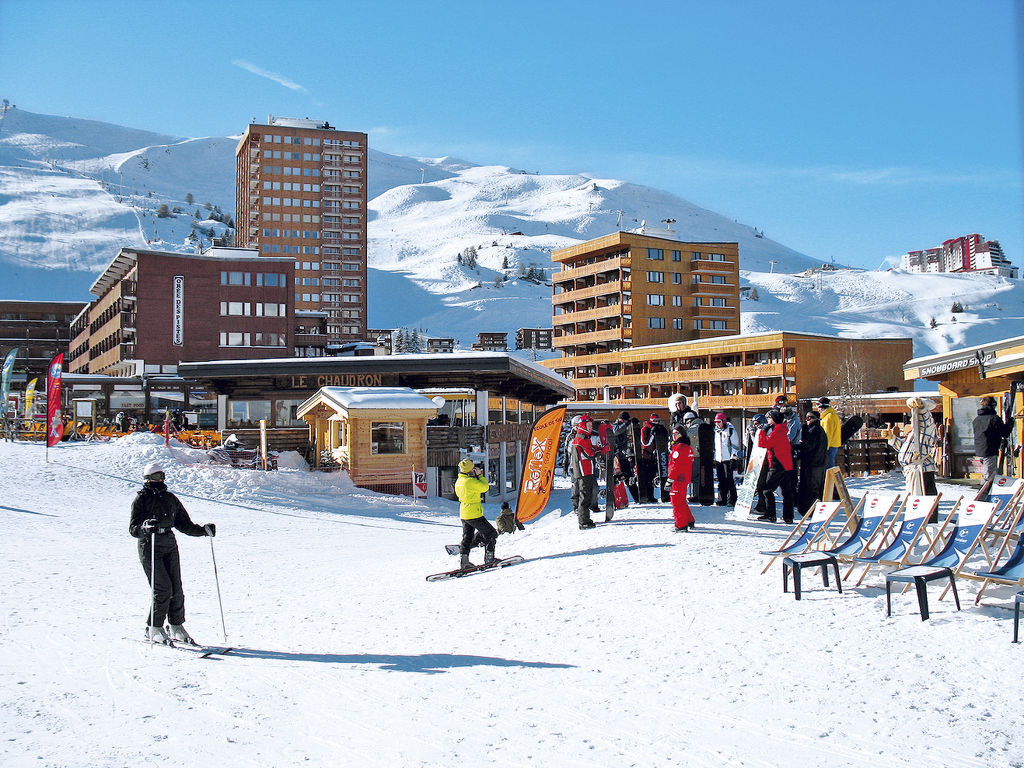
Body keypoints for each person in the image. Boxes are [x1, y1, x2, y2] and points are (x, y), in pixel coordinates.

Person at [129, 462, 215, 645]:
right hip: (149, 544)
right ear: (147, 480)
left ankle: (176, 626)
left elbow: (184, 523)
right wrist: (145, 527)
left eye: (160, 477)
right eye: (153, 478)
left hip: (168, 542)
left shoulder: (170, 498)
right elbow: (133, 528)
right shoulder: (141, 500)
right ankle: (154, 628)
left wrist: (203, 530)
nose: (157, 481)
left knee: (176, 588)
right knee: (162, 588)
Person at [454, 458, 497, 568]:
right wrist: (480, 475)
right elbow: (485, 487)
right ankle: (489, 558)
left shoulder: (459, 481)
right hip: (474, 512)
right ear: (470, 470)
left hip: (464, 512)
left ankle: (464, 562)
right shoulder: (470, 481)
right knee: (491, 533)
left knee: (467, 537)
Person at [756, 410, 796, 523]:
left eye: (769, 418)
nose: (768, 420)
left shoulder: (777, 431)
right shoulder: (782, 429)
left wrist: (762, 432)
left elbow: (763, 443)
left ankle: (770, 514)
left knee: (767, 490)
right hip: (786, 464)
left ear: (773, 419)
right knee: (786, 491)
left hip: (777, 463)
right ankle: (788, 517)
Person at [570, 415, 601, 529]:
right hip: (584, 472)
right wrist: (601, 451)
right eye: (588, 425)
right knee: (585, 496)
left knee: (587, 495)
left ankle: (586, 519)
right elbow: (589, 454)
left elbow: (591, 449)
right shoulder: (581, 438)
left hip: (587, 470)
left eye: (591, 425)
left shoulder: (585, 437)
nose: (590, 427)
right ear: (583, 425)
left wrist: (599, 449)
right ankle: (583, 521)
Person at [798, 410, 829, 517]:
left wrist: (799, 446)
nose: (807, 421)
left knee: (812, 488)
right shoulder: (820, 430)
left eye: (808, 418)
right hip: (819, 463)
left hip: (812, 464)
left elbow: (808, 447)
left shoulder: (814, 431)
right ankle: (815, 509)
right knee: (817, 488)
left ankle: (811, 510)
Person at [973, 396, 1008, 483]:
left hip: (979, 450)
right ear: (993, 405)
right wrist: (1010, 423)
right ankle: (985, 493)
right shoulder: (994, 418)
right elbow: (1004, 432)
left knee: (987, 473)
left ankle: (985, 492)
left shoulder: (977, 419)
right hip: (990, 450)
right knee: (989, 476)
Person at [667, 424, 695, 531]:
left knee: (676, 501)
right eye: (673, 434)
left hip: (678, 478)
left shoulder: (680, 448)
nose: (674, 436)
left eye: (676, 434)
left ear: (681, 434)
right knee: (681, 500)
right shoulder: (686, 447)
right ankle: (689, 520)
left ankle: (681, 524)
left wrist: (670, 479)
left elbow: (676, 466)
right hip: (683, 477)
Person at [712, 413, 742, 506]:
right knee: (721, 480)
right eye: (716, 422)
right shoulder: (716, 431)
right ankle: (722, 499)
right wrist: (715, 457)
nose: (717, 424)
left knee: (729, 479)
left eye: (719, 422)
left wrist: (733, 457)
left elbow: (735, 446)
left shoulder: (730, 430)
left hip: (728, 458)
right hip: (719, 459)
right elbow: (716, 446)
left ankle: (732, 499)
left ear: (724, 421)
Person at [637, 413, 664, 503]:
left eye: (658, 421)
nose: (656, 423)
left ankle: (651, 496)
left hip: (654, 457)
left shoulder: (658, 429)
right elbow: (645, 443)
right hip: (646, 457)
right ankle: (647, 496)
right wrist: (652, 434)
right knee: (646, 478)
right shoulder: (645, 429)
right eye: (654, 421)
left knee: (652, 477)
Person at [814, 397, 842, 469]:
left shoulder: (828, 418)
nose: (818, 409)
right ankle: (830, 479)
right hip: (833, 444)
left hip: (830, 446)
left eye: (819, 407)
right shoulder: (831, 415)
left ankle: (829, 480)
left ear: (822, 407)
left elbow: (827, 434)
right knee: (829, 466)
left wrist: (824, 448)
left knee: (828, 467)